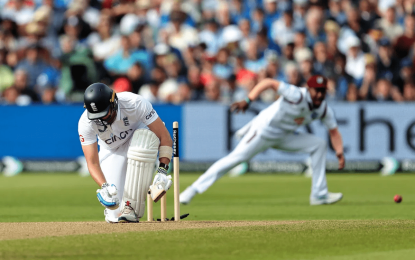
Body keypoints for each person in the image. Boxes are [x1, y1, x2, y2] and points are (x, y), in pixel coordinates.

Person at [180, 75, 345, 205]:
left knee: (319, 145)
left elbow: (334, 132)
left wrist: (339, 152)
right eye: (317, 90)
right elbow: (268, 82)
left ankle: (319, 194)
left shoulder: (323, 109)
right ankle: (192, 190)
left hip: (284, 136)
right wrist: (248, 100)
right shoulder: (296, 94)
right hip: (263, 130)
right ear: (308, 89)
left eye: (323, 90)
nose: (320, 94)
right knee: (235, 159)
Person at [78, 83, 173, 223]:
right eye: (97, 116)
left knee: (142, 143)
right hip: (111, 149)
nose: (102, 119)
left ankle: (132, 208)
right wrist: (104, 187)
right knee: (114, 213)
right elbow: (92, 163)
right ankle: (122, 209)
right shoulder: (86, 122)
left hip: (140, 136)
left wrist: (162, 171)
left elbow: (165, 137)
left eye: (104, 113)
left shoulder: (134, 103)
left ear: (113, 102)